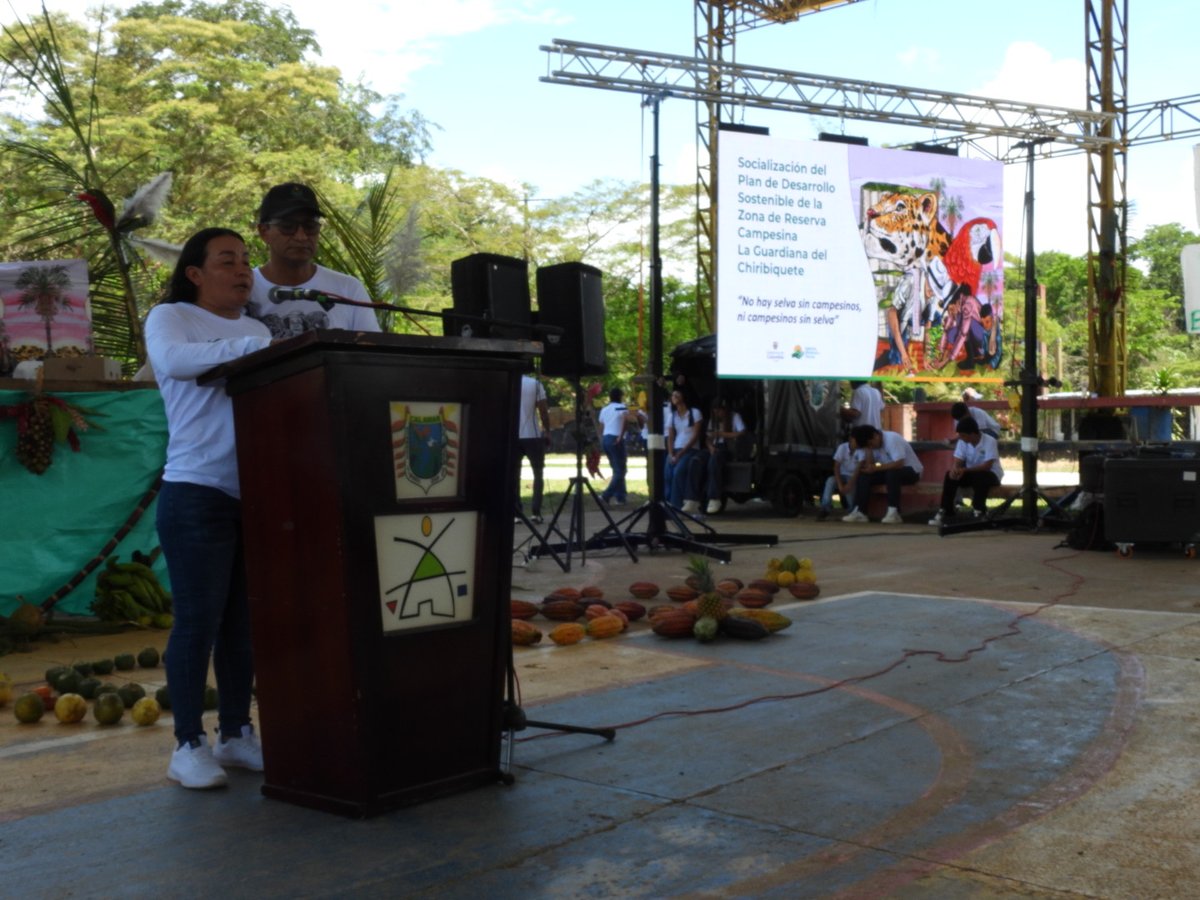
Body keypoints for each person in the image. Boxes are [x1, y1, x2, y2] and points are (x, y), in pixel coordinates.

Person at [144, 228, 275, 789]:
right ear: (195, 273)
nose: (243, 270)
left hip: (254, 493)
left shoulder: (258, 329)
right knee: (198, 621)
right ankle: (187, 745)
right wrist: (249, 350)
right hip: (196, 491)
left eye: (246, 260)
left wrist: (258, 346)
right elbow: (174, 362)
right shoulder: (171, 318)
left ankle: (236, 734)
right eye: (228, 260)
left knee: (242, 623)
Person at [246, 182, 381, 337]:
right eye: (288, 226)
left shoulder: (348, 288)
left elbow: (370, 346)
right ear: (264, 232)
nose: (301, 236)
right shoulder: (244, 289)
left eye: (310, 226)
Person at [929, 416, 1004, 526]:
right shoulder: (962, 442)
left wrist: (965, 470)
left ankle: (979, 510)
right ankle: (946, 511)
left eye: (963, 435)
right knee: (950, 476)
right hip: (971, 473)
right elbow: (958, 460)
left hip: (991, 475)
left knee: (981, 477)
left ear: (972, 434)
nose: (961, 438)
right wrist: (955, 469)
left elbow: (987, 466)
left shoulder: (990, 441)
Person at [844, 424, 923, 524]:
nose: (871, 446)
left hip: (911, 471)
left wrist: (876, 468)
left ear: (875, 436)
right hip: (889, 472)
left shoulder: (892, 439)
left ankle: (894, 512)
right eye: (868, 445)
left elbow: (899, 463)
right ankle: (860, 512)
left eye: (871, 444)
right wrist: (868, 452)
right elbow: (871, 464)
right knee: (864, 475)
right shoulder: (872, 445)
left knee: (892, 473)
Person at [663, 388, 704, 514]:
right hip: (675, 448)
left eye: (677, 394)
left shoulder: (695, 413)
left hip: (690, 449)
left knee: (678, 472)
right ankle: (667, 503)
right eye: (672, 395)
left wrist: (680, 454)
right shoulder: (672, 415)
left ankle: (675, 507)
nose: (674, 396)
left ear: (684, 396)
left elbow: (695, 436)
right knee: (668, 474)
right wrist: (671, 453)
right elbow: (670, 436)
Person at [704, 397, 748, 514]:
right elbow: (708, 438)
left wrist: (722, 434)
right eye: (715, 411)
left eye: (719, 411)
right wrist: (710, 447)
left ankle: (714, 497)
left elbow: (742, 432)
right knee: (697, 460)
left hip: (728, 447)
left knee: (714, 461)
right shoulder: (713, 420)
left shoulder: (735, 417)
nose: (717, 414)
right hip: (714, 447)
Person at [517, 373, 551, 523]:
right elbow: (543, 411)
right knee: (538, 474)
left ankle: (517, 513)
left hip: (514, 436)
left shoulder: (509, 381)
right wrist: (547, 430)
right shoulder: (535, 384)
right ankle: (536, 512)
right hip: (533, 435)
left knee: (514, 475)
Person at [598, 387, 639, 506]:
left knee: (616, 469)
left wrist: (602, 439)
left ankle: (621, 496)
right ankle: (606, 495)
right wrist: (621, 436)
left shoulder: (604, 409)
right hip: (616, 438)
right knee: (621, 470)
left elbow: (601, 426)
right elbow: (629, 420)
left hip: (606, 438)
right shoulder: (622, 407)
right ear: (620, 397)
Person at [817, 433, 861, 520]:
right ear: (851, 439)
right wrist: (840, 485)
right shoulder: (842, 448)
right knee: (830, 481)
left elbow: (858, 470)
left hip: (853, 477)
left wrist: (848, 485)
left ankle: (851, 510)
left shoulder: (860, 450)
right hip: (842, 475)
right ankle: (825, 508)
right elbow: (836, 467)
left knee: (850, 493)